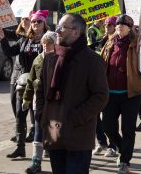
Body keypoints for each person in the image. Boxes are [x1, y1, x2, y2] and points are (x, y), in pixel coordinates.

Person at [36, 13, 109, 174]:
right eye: (57, 27)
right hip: (53, 131)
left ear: (76, 32)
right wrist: (41, 114)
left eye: (62, 28)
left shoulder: (92, 60)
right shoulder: (51, 58)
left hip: (78, 135)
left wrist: (75, 118)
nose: (58, 31)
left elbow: (101, 96)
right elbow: (41, 88)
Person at [101, 14, 141, 174]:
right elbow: (102, 63)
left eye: (123, 25)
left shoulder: (138, 44)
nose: (119, 27)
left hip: (131, 94)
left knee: (128, 129)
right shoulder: (109, 43)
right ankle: (123, 147)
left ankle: (124, 161)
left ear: (130, 27)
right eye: (117, 25)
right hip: (110, 93)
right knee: (107, 126)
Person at [0, 10, 49, 158]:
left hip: (42, 84)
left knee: (41, 117)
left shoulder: (49, 40)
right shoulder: (25, 40)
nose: (35, 24)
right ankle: (20, 147)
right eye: (33, 21)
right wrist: (1, 37)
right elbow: (9, 52)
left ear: (45, 23)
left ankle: (46, 145)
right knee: (20, 114)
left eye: (39, 21)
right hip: (24, 83)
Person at [22, 31, 57, 174]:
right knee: (38, 130)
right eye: (43, 43)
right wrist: (27, 98)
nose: (45, 46)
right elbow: (30, 80)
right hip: (39, 102)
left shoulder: (59, 59)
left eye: (49, 43)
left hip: (55, 103)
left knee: (54, 130)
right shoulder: (37, 60)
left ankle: (55, 157)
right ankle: (36, 161)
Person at [93, 15, 118, 157]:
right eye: (106, 25)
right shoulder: (102, 40)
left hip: (111, 84)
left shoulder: (117, 42)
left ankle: (113, 146)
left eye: (110, 25)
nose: (107, 27)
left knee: (110, 118)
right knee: (95, 114)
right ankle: (101, 142)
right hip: (98, 81)